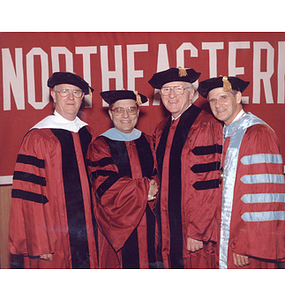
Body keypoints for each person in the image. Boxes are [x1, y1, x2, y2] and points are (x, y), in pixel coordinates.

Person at [9, 72, 98, 268]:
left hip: (89, 234)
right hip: (53, 237)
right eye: (64, 91)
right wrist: (39, 242)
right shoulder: (38, 137)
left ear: (82, 98)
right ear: (53, 95)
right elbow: (29, 195)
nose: (71, 97)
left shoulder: (87, 133)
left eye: (76, 92)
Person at [198, 75, 285, 269]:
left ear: (238, 97)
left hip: (248, 243)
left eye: (223, 97)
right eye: (212, 100)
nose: (217, 105)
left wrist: (244, 244)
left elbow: (262, 196)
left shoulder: (257, 133)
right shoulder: (226, 132)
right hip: (227, 236)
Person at [148, 67, 223, 268]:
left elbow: (208, 182)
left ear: (191, 93)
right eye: (166, 90)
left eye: (179, 89)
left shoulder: (206, 124)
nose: (171, 95)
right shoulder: (161, 128)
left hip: (194, 229)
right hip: (168, 225)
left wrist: (198, 230)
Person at [87, 89, 158, 269]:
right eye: (119, 110)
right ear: (111, 114)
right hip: (119, 226)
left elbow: (159, 175)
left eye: (131, 110)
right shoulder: (100, 145)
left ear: (138, 113)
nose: (125, 115)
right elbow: (104, 186)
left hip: (150, 222)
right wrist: (144, 189)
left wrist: (154, 188)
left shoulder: (150, 142)